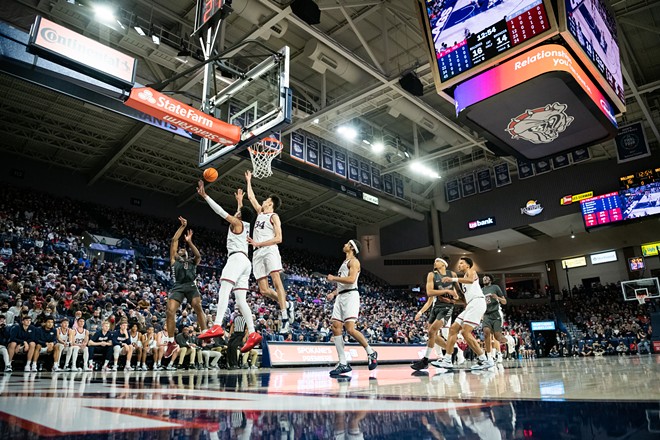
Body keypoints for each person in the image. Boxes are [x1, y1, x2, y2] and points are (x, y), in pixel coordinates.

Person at [196, 182, 262, 353]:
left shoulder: (237, 223)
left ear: (239, 216)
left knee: (224, 290)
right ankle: (253, 333)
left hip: (236, 259)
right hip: (246, 262)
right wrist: (240, 202)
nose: (236, 213)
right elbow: (241, 213)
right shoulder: (246, 225)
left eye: (237, 212)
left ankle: (217, 325)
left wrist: (205, 196)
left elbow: (220, 212)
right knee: (240, 301)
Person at [244, 170, 294, 333]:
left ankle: (285, 317)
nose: (263, 201)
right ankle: (286, 303)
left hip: (269, 249)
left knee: (277, 282)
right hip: (257, 252)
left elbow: (279, 238)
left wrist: (259, 242)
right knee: (264, 290)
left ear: (270, 204)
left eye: (266, 200)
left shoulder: (274, 216)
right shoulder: (260, 213)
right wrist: (249, 181)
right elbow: (251, 197)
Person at [326, 239, 378, 376]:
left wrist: (334, 278)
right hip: (341, 296)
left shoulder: (354, 262)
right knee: (335, 326)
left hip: (350, 296)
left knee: (349, 329)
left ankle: (371, 352)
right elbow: (343, 285)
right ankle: (343, 362)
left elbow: (351, 280)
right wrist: (333, 293)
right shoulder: (344, 263)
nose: (344, 245)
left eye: (346, 244)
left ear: (352, 248)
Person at [436, 257, 493, 370]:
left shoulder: (471, 272)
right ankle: (447, 360)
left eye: (462, 263)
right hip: (471, 304)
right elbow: (464, 300)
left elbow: (471, 280)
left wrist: (453, 279)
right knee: (453, 329)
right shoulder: (463, 281)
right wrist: (452, 301)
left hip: (478, 302)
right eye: (459, 263)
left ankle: (484, 360)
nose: (459, 265)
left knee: (465, 332)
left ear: (468, 265)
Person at [163, 217, 208, 358]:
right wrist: (182, 227)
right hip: (178, 286)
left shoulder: (192, 261)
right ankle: (171, 342)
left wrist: (190, 242)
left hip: (191, 286)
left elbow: (198, 255)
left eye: (184, 249)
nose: (182, 250)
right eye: (180, 250)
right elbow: (174, 241)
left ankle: (205, 333)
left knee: (197, 306)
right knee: (170, 312)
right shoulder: (174, 259)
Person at [411, 257, 459, 370]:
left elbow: (456, 294)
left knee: (434, 331)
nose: (434, 262)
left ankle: (425, 361)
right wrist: (420, 312)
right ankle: (451, 349)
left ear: (444, 264)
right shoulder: (431, 275)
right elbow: (429, 293)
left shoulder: (451, 274)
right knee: (431, 334)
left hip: (447, 307)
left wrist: (454, 298)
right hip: (436, 307)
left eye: (437, 261)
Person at [481, 274, 507, 363]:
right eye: (483, 278)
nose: (485, 279)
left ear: (490, 280)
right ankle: (489, 356)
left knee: (496, 336)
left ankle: (499, 353)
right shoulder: (481, 290)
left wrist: (497, 298)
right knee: (486, 333)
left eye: (487, 278)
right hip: (486, 314)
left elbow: (504, 302)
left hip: (496, 313)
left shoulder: (495, 287)